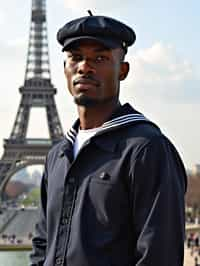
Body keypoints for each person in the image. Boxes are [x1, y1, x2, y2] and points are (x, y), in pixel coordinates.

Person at [30, 14, 187, 266]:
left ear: (122, 70)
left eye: (100, 58)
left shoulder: (147, 149)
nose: (84, 66)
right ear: (65, 69)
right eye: (76, 57)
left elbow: (160, 256)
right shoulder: (56, 156)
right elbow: (43, 245)